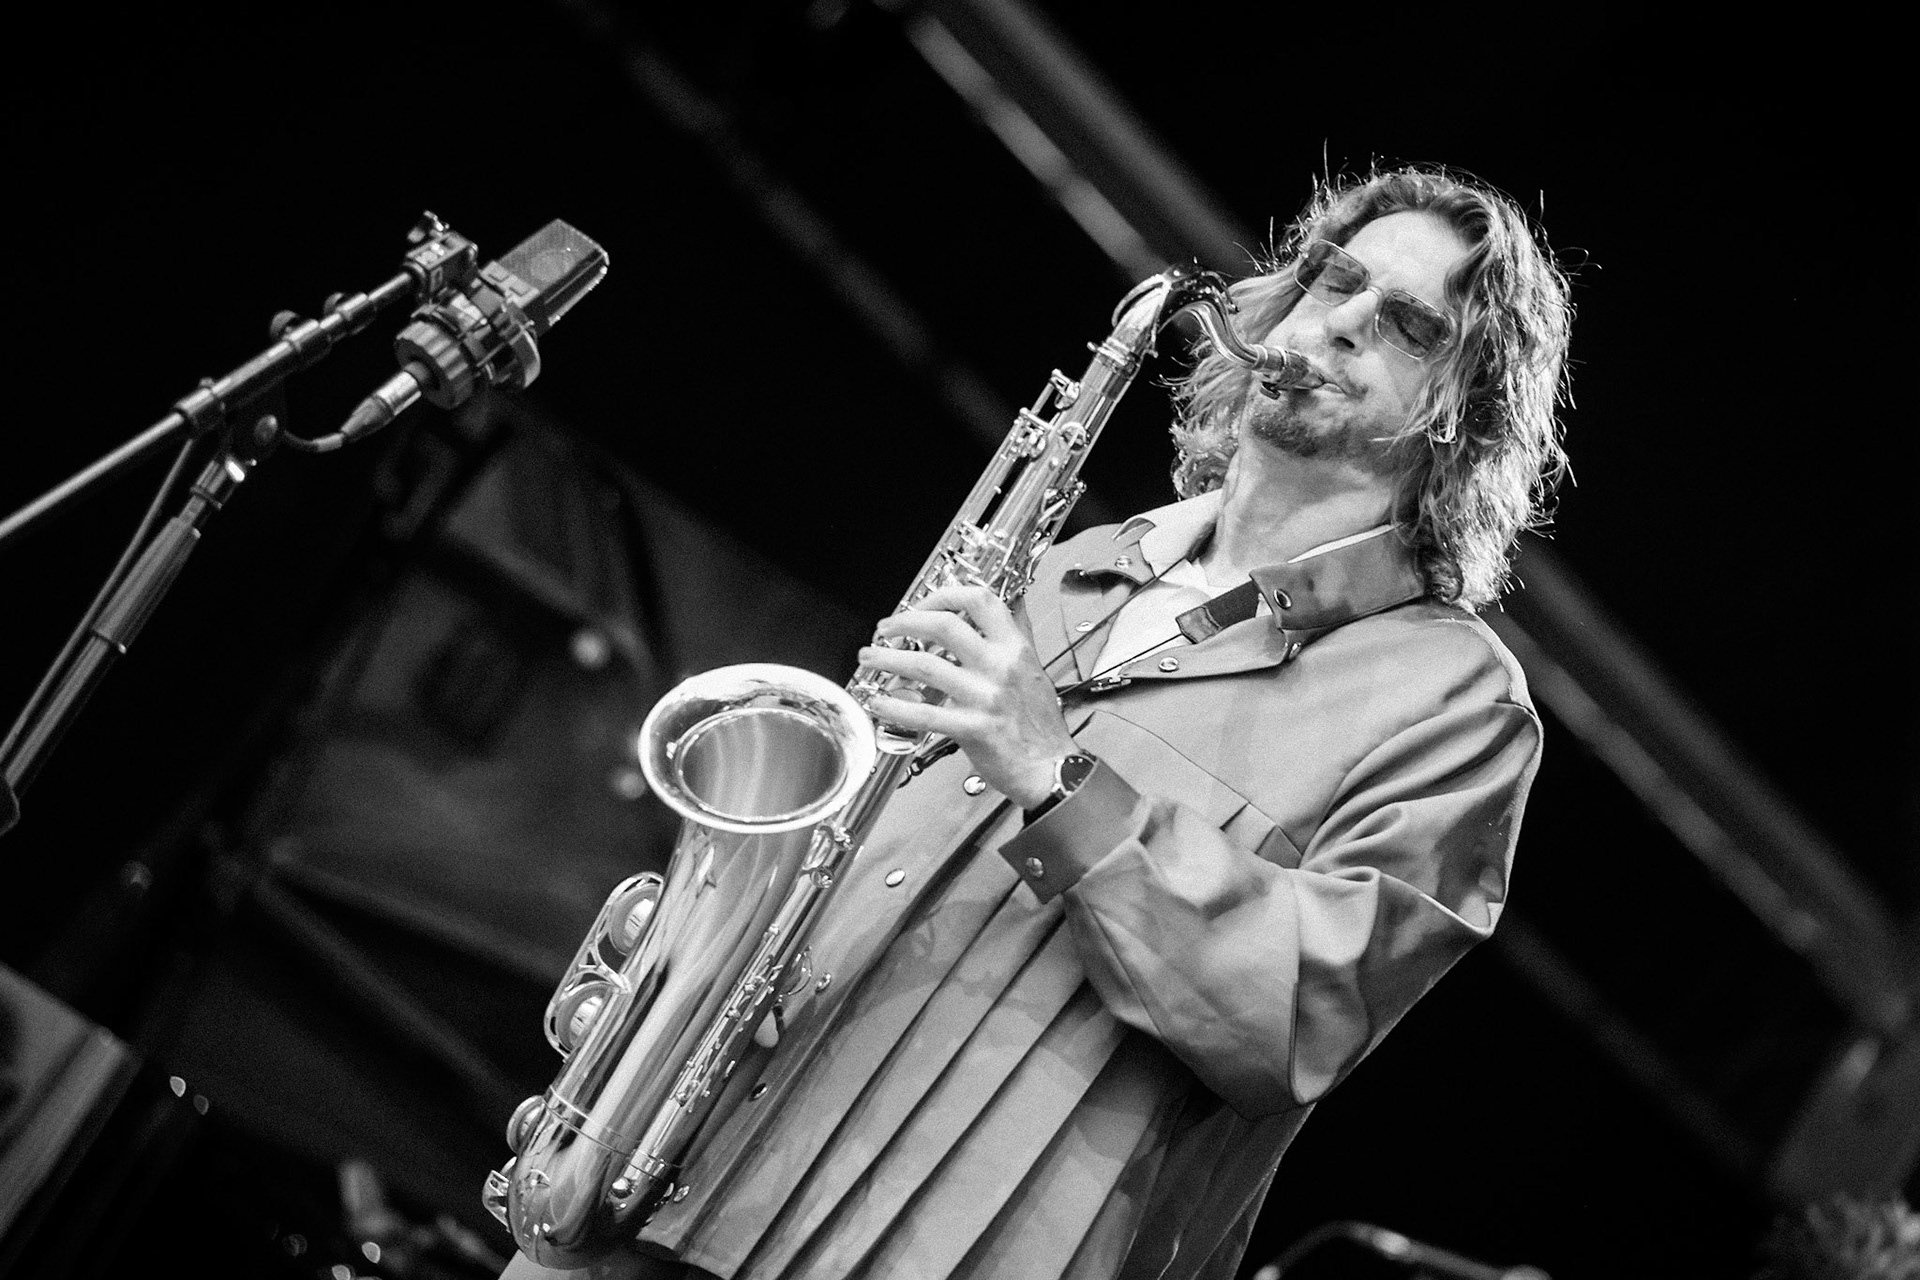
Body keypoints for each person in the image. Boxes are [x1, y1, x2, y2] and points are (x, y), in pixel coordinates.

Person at [503, 162, 1574, 1280]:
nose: (1341, 323)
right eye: (1333, 280)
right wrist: (719, 954)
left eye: (1407, 325)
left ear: (1467, 415)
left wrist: (1057, 777)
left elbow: (1297, 1014)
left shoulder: (1456, 702)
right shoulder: (1062, 565)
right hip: (696, 1151)